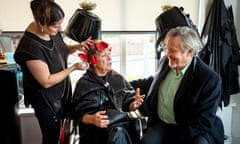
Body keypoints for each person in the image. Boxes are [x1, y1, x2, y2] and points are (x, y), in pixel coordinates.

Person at [14, 0, 94, 143]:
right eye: (56, 26)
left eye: (60, 24)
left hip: (59, 94)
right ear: (41, 24)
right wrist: (73, 68)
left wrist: (76, 47)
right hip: (46, 101)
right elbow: (46, 81)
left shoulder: (50, 30)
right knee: (52, 138)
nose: (60, 28)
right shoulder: (30, 48)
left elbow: (61, 50)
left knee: (63, 135)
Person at [130, 26, 224, 144]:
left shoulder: (209, 79)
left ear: (189, 52)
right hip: (163, 123)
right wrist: (125, 83)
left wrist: (176, 139)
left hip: (193, 129)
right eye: (167, 49)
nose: (168, 54)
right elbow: (154, 81)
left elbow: (202, 121)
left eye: (173, 50)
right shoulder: (166, 61)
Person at [71, 40, 145, 144]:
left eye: (109, 55)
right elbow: (76, 114)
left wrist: (133, 105)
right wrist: (91, 119)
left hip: (121, 128)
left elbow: (128, 102)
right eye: (104, 56)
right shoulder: (83, 84)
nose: (110, 59)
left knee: (118, 133)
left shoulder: (117, 78)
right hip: (95, 134)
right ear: (93, 60)